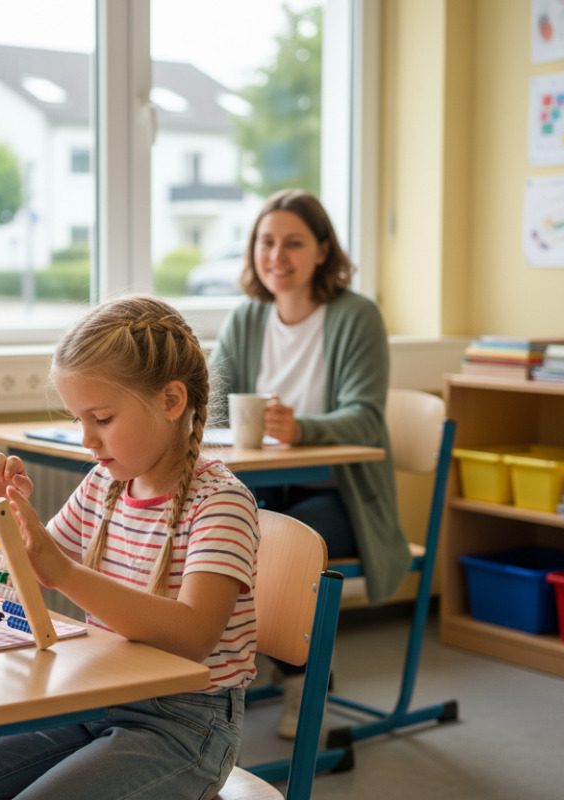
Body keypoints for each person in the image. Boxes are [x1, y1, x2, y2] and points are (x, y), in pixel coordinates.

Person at [0, 295, 260, 800]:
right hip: (95, 695)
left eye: (102, 418)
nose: (87, 440)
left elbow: (194, 637)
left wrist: (66, 574)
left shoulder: (220, 503)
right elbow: (33, 571)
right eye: (79, 421)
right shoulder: (103, 485)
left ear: (171, 401)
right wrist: (11, 520)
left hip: (185, 724)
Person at [208, 188, 408, 739]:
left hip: (343, 496)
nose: (277, 256)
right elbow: (213, 405)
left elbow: (366, 418)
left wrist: (303, 430)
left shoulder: (357, 316)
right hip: (265, 489)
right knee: (224, 532)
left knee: (280, 548)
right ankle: (243, 675)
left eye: (293, 243)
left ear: (323, 250)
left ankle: (302, 682)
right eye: (266, 242)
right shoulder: (247, 317)